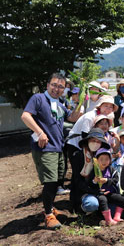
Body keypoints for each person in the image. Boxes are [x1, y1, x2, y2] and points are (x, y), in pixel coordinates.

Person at [21, 73, 81, 229]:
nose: (57, 88)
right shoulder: (38, 98)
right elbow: (26, 116)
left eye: (61, 86)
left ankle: (51, 208)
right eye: (54, 85)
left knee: (59, 180)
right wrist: (40, 133)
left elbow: (73, 117)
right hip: (45, 148)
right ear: (47, 85)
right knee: (51, 182)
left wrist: (84, 102)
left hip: (59, 147)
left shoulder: (61, 103)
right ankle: (48, 215)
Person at [84, 148, 124, 226]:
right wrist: (94, 181)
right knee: (103, 200)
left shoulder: (111, 169)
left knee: (122, 199)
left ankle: (117, 216)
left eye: (106, 159)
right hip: (100, 194)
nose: (104, 162)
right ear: (96, 161)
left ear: (110, 160)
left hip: (110, 193)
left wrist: (107, 180)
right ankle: (108, 220)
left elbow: (116, 180)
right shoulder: (94, 171)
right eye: (101, 159)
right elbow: (90, 184)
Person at [74, 129, 112, 215]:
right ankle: (84, 209)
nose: (95, 143)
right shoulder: (79, 155)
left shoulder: (103, 156)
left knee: (112, 208)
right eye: (93, 140)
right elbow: (77, 181)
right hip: (85, 191)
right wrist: (94, 191)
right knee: (92, 204)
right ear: (87, 141)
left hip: (102, 190)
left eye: (98, 141)